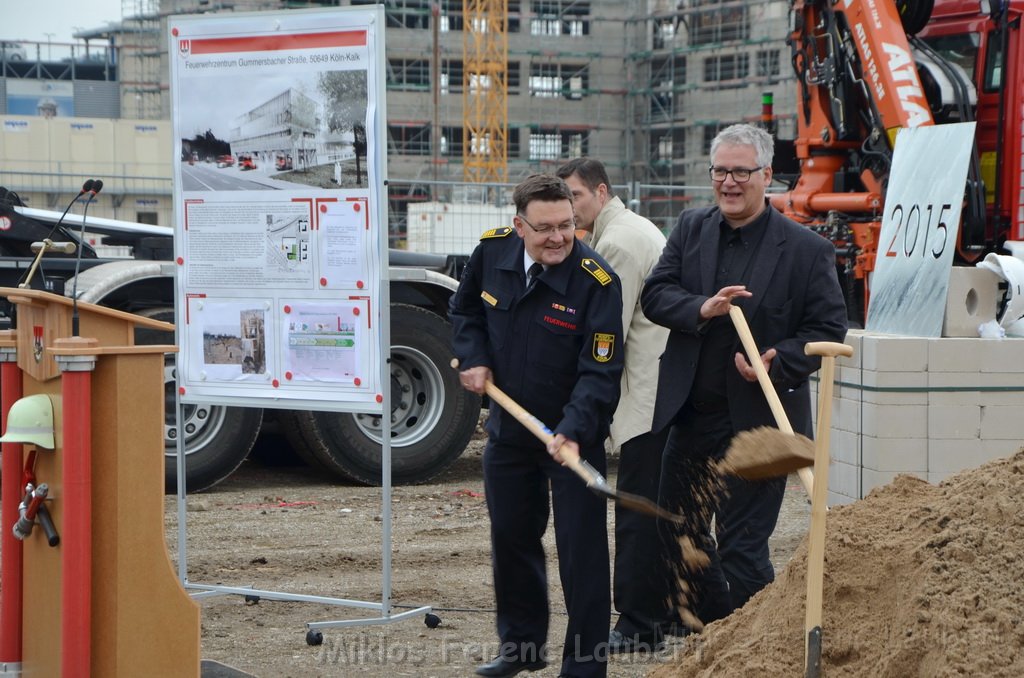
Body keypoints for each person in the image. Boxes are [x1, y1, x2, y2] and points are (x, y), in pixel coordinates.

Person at [640, 123, 848, 627]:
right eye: (720, 171)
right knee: (678, 533)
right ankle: (720, 630)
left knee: (743, 548)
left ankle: (758, 642)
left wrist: (780, 359)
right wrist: (702, 307)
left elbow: (827, 328)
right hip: (694, 417)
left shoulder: (805, 249)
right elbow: (656, 294)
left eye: (741, 172)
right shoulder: (691, 227)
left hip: (761, 425)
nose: (729, 182)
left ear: (767, 176)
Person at [450, 174, 624, 678]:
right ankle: (521, 648)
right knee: (512, 536)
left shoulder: (596, 281)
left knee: (581, 555)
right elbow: (463, 312)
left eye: (567, 226)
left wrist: (572, 427)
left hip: (574, 433)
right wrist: (474, 358)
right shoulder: (491, 254)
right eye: (544, 228)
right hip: (510, 429)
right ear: (519, 225)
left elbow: (602, 369)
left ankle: (586, 667)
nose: (557, 238)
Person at [555, 158, 672, 653]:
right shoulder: (627, 228)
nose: (569, 207)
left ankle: (638, 624)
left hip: (646, 397)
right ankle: (671, 614)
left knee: (636, 511)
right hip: (657, 393)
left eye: (575, 197)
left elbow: (609, 332)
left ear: (601, 191)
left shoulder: (617, 243)